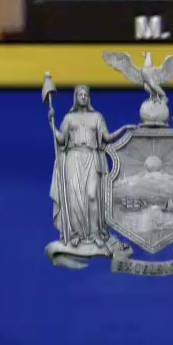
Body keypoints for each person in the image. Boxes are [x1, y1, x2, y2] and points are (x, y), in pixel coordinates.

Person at [48, 85, 113, 251]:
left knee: (92, 195)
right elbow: (62, 140)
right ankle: (75, 234)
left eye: (86, 94)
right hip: (73, 157)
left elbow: (107, 137)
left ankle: (95, 233)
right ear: (75, 98)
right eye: (80, 94)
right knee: (74, 197)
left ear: (89, 98)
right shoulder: (69, 118)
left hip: (91, 156)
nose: (83, 97)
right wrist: (52, 124)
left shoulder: (97, 117)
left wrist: (124, 130)